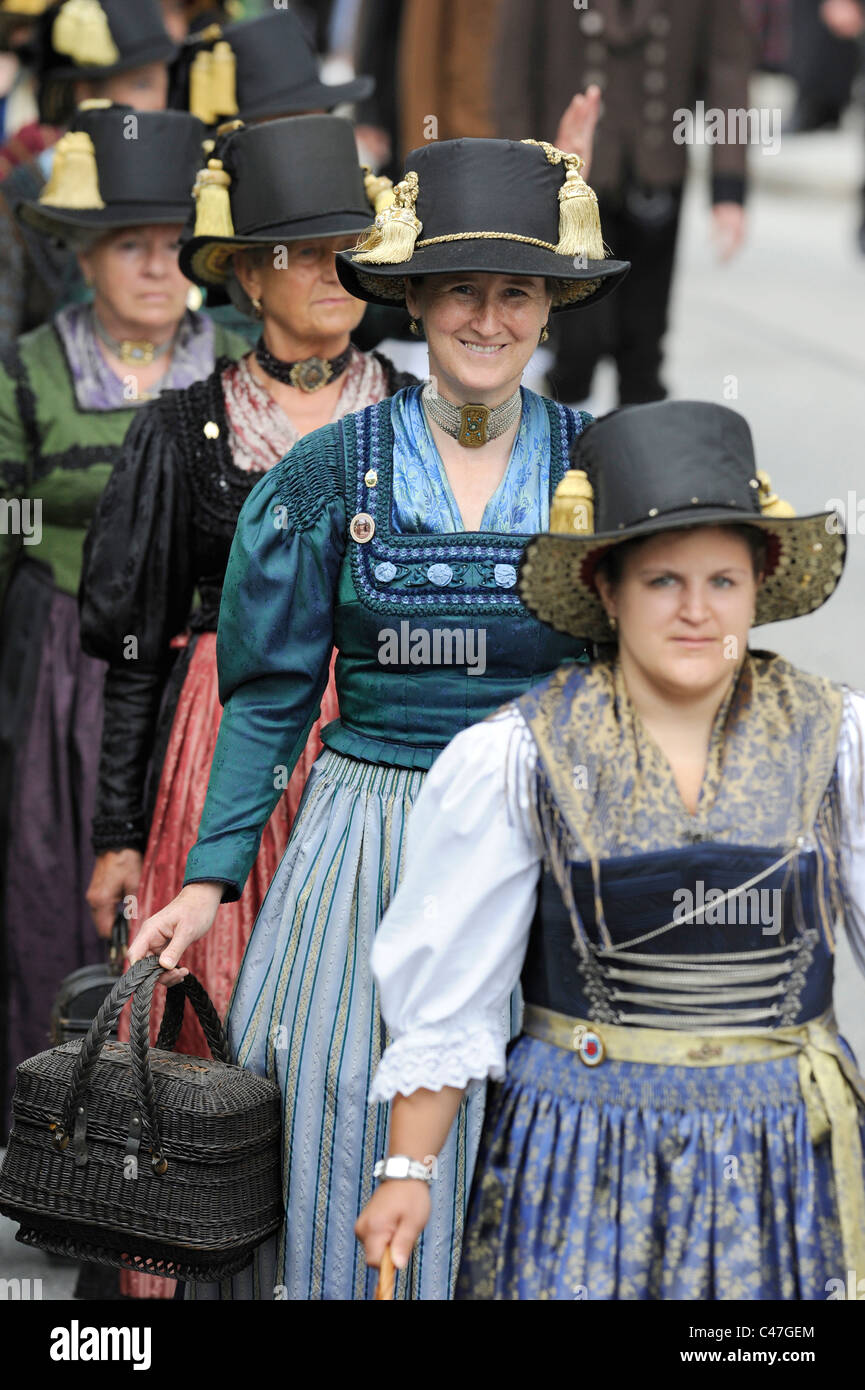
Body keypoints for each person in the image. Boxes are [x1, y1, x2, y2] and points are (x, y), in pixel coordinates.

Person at [126, 134, 629, 1300]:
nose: (488, 318)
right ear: (410, 296)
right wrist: (204, 882)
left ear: (550, 306)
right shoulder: (326, 475)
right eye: (461, 288)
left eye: (516, 291)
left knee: (531, 1151)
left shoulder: (600, 472)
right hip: (364, 852)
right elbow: (267, 698)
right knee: (347, 1135)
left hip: (539, 848)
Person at [356, 399, 865, 1301]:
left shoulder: (836, 740)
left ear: (760, 585)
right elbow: (451, 994)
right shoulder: (520, 755)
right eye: (663, 581)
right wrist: (409, 1170)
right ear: (606, 589)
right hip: (579, 1143)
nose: (696, 612)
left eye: (723, 582)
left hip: (783, 1147)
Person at [79, 118, 417, 1305]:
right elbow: (134, 649)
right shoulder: (182, 431)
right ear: (251, 273)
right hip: (219, 751)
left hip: (375, 770)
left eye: (354, 252)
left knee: (361, 1038)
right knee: (208, 1028)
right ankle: (193, 1277)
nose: (338, 275)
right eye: (312, 251)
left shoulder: (417, 421)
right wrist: (120, 835)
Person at [0, 101, 247, 1137]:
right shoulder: (30, 371)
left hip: (201, 672)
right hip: (66, 659)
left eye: (168, 248)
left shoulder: (234, 360)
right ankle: (53, 1120)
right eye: (128, 248)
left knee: (180, 892)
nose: (155, 269)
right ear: (84, 259)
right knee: (52, 883)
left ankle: (178, 1122)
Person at [493, 0, 755, 406]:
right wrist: (518, 175)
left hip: (659, 171)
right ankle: (563, 454)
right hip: (565, 178)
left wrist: (729, 188)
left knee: (645, 344)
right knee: (573, 340)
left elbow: (728, 68)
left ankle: (636, 457)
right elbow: (511, 70)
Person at [0, 0, 178, 348]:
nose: (159, 103)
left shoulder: (178, 179)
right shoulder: (23, 190)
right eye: (140, 85)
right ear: (85, 93)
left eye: (163, 85)